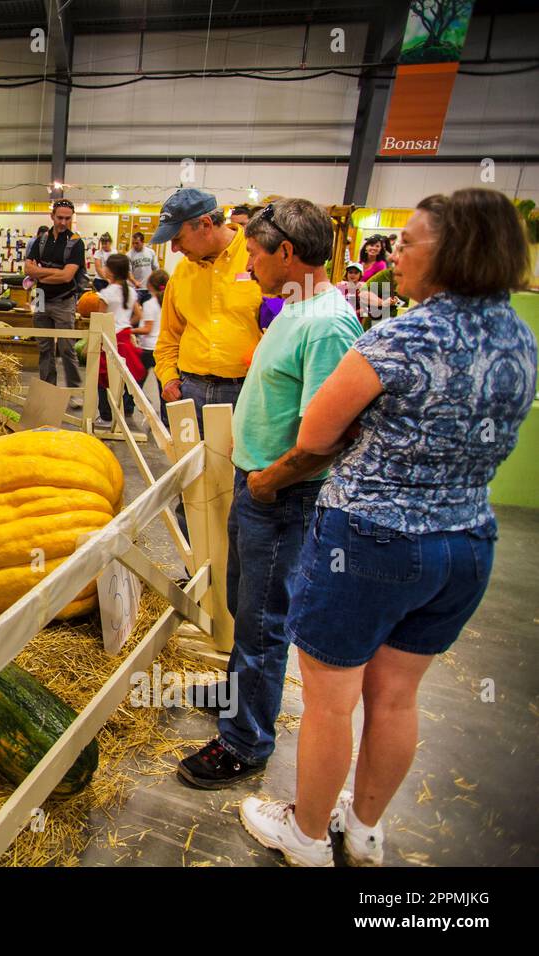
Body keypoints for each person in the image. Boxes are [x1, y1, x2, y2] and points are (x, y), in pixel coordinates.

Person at [238, 188, 537, 866]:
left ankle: (307, 834)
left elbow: (316, 432)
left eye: (409, 242)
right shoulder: (519, 336)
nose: (392, 254)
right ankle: (365, 828)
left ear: (452, 252)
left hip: (371, 540)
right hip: (465, 541)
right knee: (398, 699)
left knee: (331, 701)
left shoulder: (404, 336)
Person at [177, 198, 363, 790]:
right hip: (258, 484)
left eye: (254, 254)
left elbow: (330, 435)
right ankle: (239, 697)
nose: (247, 263)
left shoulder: (327, 325)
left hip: (282, 496)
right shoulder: (293, 306)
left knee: (262, 620)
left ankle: (245, 741)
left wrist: (267, 480)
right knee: (244, 602)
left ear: (287, 253)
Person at [151, 188, 263, 425]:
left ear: (205, 224)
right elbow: (169, 336)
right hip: (189, 391)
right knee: (188, 462)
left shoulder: (258, 259)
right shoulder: (182, 273)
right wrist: (169, 378)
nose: (174, 249)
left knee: (237, 463)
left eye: (177, 238)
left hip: (246, 392)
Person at [24, 200, 87, 405]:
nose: (63, 222)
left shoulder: (76, 243)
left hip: (64, 300)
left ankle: (74, 391)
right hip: (41, 298)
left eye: (67, 218)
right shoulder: (40, 240)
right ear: (52, 216)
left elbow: (68, 276)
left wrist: (41, 274)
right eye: (60, 217)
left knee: (67, 348)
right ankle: (47, 389)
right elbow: (28, 270)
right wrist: (54, 273)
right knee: (44, 347)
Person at [95, 252, 143, 426]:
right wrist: (126, 325)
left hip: (109, 338)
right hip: (125, 337)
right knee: (124, 377)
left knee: (102, 379)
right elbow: (139, 314)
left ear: (112, 271)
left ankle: (106, 416)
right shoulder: (131, 292)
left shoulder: (106, 292)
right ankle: (123, 411)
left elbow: (100, 318)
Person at [136, 268, 166, 400]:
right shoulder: (167, 302)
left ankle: (128, 407)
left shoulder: (149, 304)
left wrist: (129, 330)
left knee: (136, 382)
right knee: (164, 386)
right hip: (162, 348)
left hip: (148, 348)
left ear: (149, 285)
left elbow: (147, 329)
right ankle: (166, 418)